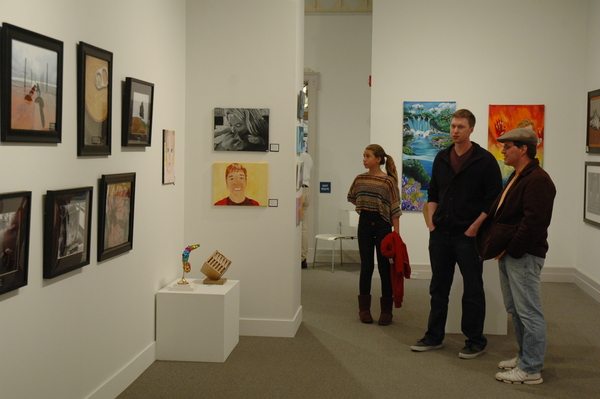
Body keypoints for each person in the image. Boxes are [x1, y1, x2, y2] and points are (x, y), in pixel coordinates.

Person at [411, 109, 502, 359]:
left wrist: (475, 227)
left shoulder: (484, 160)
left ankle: (475, 340)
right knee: (438, 286)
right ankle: (434, 336)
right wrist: (431, 222)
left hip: (469, 235)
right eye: (452, 126)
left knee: (473, 288)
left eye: (460, 126)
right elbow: (434, 193)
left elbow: (494, 199)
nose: (454, 130)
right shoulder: (442, 157)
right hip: (440, 233)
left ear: (471, 129)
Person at [476, 127, 556, 384]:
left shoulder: (538, 180)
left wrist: (513, 249)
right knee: (517, 310)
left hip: (523, 255)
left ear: (523, 149)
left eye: (507, 146)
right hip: (512, 254)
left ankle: (531, 369)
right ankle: (524, 357)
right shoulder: (518, 175)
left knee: (529, 311)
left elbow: (535, 223)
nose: (502, 150)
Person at [347, 144, 401, 325]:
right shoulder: (359, 179)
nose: (364, 159)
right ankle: (364, 309)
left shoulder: (388, 182)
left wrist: (397, 235)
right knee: (367, 267)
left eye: (368, 156)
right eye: (363, 156)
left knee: (385, 269)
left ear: (378, 159)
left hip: (383, 227)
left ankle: (387, 311)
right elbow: (353, 197)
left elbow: (394, 208)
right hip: (364, 226)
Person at [299, 147, 313, 269]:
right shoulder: (308, 157)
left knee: (296, 226)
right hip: (306, 190)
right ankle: (302, 258)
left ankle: (297, 257)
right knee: (303, 226)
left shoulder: (296, 156)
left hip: (298, 191)